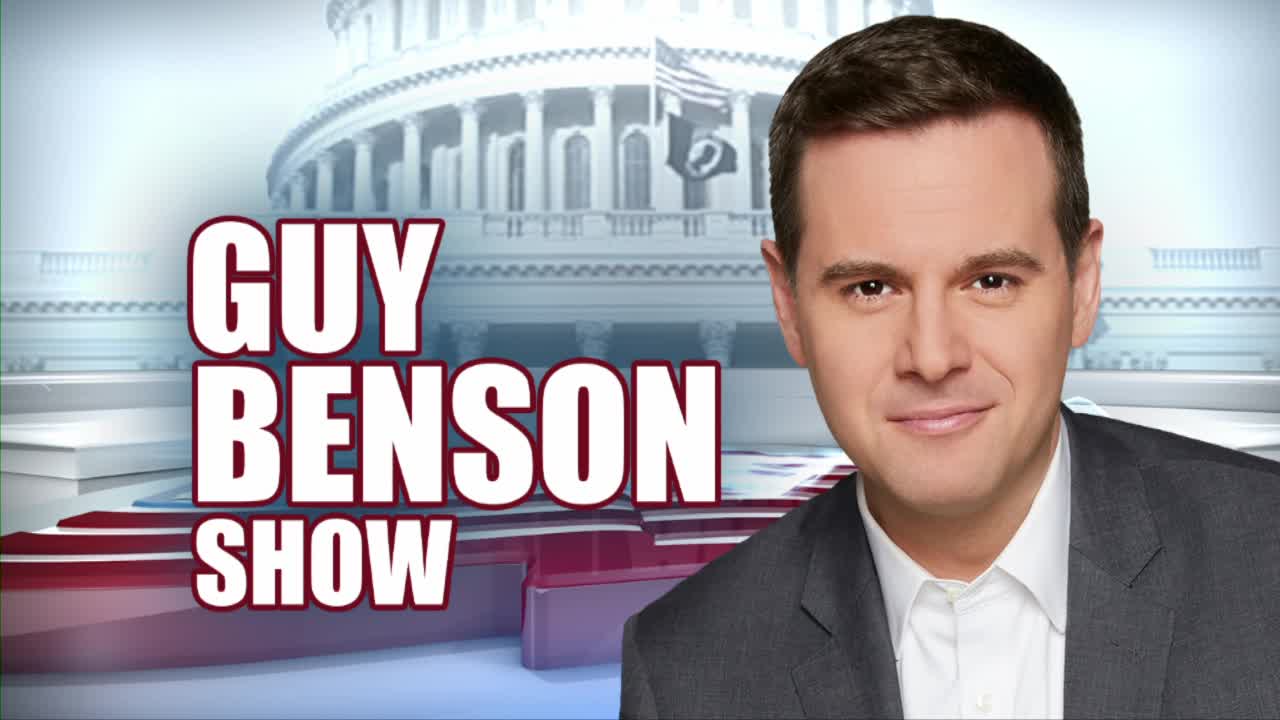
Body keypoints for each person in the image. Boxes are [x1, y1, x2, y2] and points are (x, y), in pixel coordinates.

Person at [620, 14, 1280, 720]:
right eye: (870, 288)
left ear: (1083, 285)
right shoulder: (685, 665)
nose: (932, 357)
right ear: (789, 307)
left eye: (991, 281)